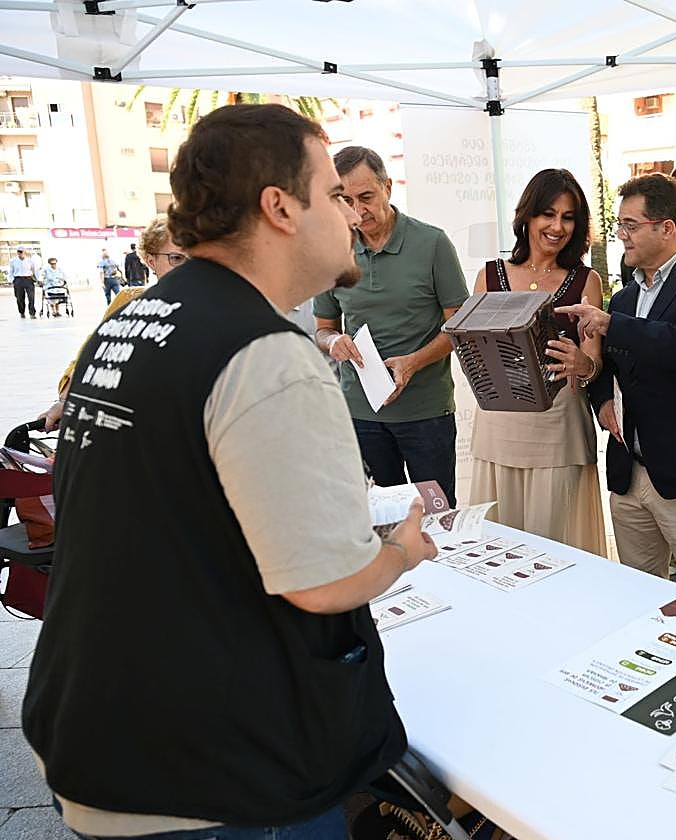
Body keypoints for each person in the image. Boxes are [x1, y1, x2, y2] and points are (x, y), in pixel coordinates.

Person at [23, 103, 438, 838]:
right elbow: (325, 581)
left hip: (104, 726)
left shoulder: (132, 320)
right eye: (335, 195)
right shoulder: (266, 353)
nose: (352, 215)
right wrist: (403, 549)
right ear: (280, 207)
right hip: (216, 771)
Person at [559, 173, 676, 596]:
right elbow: (607, 369)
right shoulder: (624, 298)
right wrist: (598, 395)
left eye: (630, 226)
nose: (621, 236)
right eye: (619, 225)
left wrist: (614, 325)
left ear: (666, 228)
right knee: (637, 592)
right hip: (627, 470)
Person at [314, 146, 468, 506]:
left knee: (437, 516)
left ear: (388, 187)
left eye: (366, 196)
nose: (357, 210)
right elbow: (323, 328)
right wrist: (334, 341)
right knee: (381, 522)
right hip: (360, 412)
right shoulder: (334, 249)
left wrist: (412, 362)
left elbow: (460, 326)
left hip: (426, 413)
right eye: (346, 200)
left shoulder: (431, 243)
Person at [468, 168, 607, 556]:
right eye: (548, 213)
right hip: (499, 429)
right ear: (527, 216)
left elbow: (593, 361)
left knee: (556, 553)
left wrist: (582, 364)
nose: (557, 226)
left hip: (557, 433)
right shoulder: (489, 276)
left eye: (567, 217)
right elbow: (474, 346)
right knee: (498, 553)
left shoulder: (586, 280)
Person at [40, 216, 186, 431]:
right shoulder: (130, 300)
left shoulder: (218, 305)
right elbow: (91, 356)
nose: (189, 268)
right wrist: (64, 402)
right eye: (176, 258)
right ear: (151, 261)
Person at [9, 247, 37, 318]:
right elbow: (11, 272)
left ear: (25, 252)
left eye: (21, 251)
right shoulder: (13, 261)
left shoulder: (30, 261)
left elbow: (34, 271)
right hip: (18, 279)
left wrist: (37, 279)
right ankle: (22, 312)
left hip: (28, 279)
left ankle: (32, 313)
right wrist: (12, 280)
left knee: (31, 297)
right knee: (19, 298)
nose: (20, 253)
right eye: (19, 252)